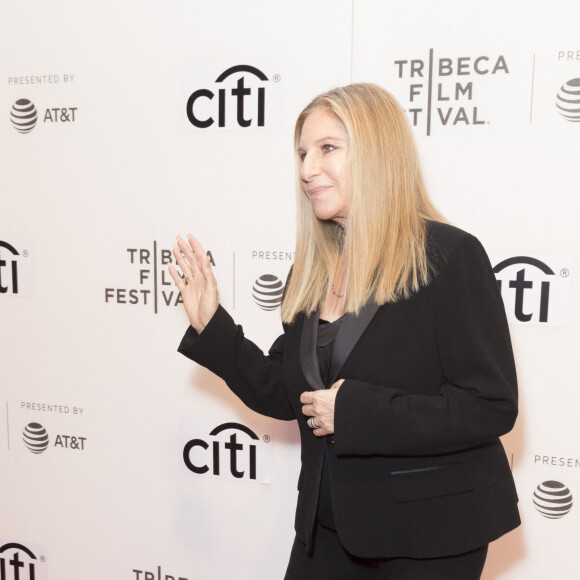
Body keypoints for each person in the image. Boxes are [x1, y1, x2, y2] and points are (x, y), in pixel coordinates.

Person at [169, 84, 520, 579]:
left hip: (427, 539)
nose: (307, 169)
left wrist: (357, 411)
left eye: (327, 148)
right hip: (325, 531)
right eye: (302, 153)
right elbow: (285, 394)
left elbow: (491, 405)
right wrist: (212, 326)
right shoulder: (312, 272)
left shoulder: (448, 258)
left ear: (376, 152)